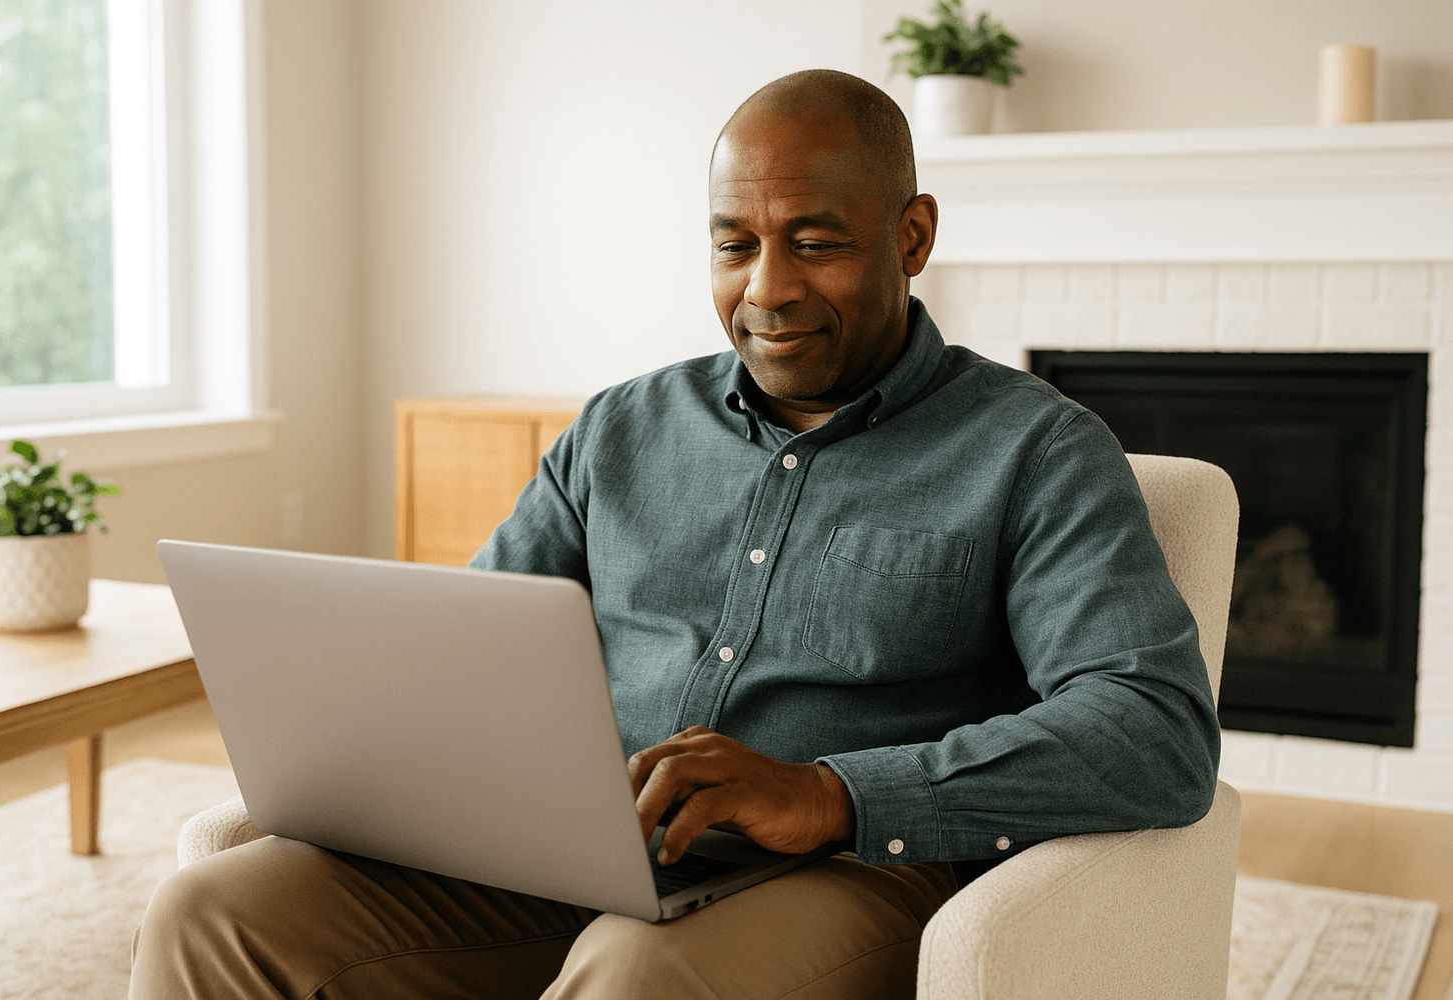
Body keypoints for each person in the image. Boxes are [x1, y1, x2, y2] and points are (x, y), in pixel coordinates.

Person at [129, 68, 1220, 1000]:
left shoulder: (1037, 451)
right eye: (733, 244)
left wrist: (828, 792)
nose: (768, 288)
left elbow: (1155, 730)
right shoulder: (622, 428)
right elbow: (469, 656)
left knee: (633, 974)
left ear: (913, 235)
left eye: (816, 242)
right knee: (210, 910)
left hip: (843, 869)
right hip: (580, 850)